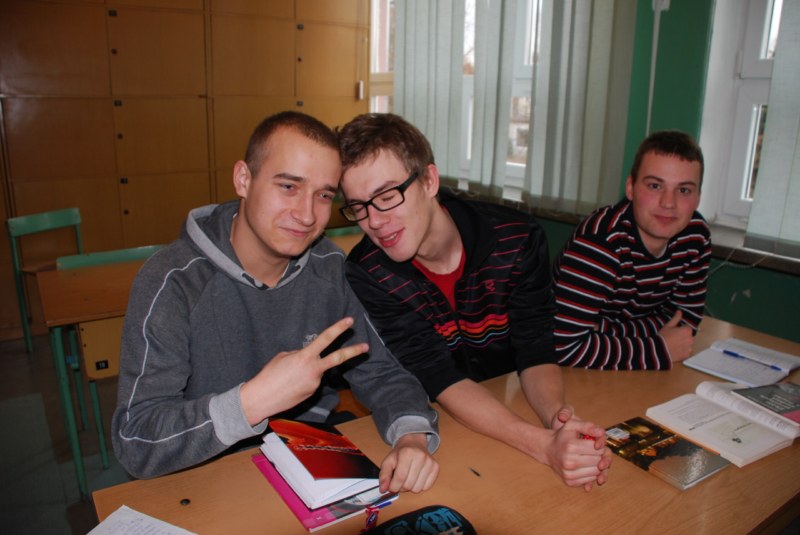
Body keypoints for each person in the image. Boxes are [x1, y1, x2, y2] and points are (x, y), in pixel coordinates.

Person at [112, 111, 440, 496]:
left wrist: (411, 437)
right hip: (203, 472)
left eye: (323, 195)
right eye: (288, 186)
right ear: (243, 179)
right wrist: (252, 402)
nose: (306, 215)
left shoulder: (330, 269)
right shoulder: (172, 281)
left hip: (308, 456)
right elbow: (136, 440)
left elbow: (382, 373)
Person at [336, 113, 610, 491]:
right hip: (445, 425)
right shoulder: (369, 272)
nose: (375, 221)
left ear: (429, 181)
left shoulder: (517, 239)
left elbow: (535, 349)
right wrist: (542, 445)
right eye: (359, 207)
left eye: (387, 197)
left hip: (504, 402)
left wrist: (557, 421)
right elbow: (438, 376)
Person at [552, 130, 711, 370]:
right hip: (564, 372)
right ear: (630, 188)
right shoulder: (600, 242)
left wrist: (605, 330)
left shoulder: (696, 235)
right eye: (655, 186)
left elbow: (684, 323)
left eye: (684, 190)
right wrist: (659, 348)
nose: (668, 203)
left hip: (616, 364)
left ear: (698, 197)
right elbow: (562, 347)